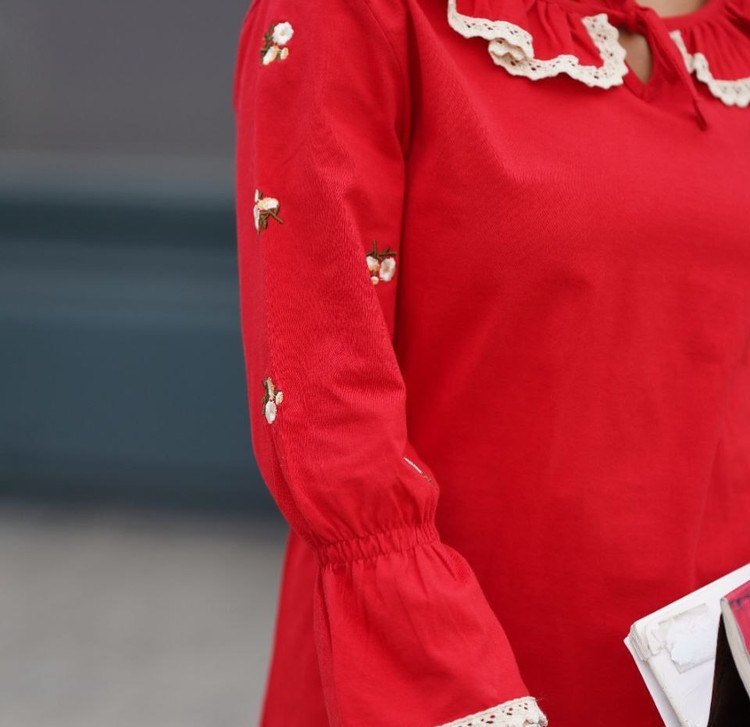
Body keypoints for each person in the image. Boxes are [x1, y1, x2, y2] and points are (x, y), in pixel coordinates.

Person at [232, 0, 750, 723]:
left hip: (721, 665)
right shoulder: (364, 16)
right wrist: (467, 694)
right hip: (476, 666)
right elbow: (331, 412)